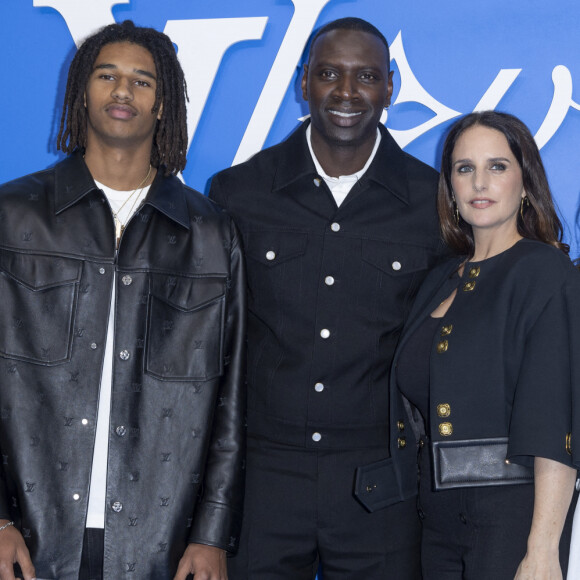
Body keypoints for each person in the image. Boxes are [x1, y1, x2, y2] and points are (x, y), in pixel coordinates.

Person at [0, 20, 245, 580]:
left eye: (142, 81)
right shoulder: (13, 217)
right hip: (33, 536)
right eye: (107, 75)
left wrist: (211, 534)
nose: (122, 92)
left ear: (163, 106)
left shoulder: (210, 234)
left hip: (159, 540)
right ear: (81, 90)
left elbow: (231, 397)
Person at [209, 16, 445, 579]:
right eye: (328, 74)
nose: (346, 92)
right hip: (263, 477)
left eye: (365, 76)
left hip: (382, 482)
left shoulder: (434, 202)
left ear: (390, 87)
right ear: (303, 82)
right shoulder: (238, 192)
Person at [393, 111, 580, 579]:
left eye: (497, 167)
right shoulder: (440, 279)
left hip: (512, 518)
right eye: (464, 168)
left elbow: (554, 418)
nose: (480, 182)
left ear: (525, 181)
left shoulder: (546, 272)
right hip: (433, 521)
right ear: (450, 188)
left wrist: (541, 550)